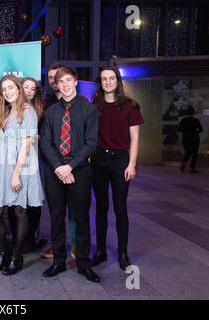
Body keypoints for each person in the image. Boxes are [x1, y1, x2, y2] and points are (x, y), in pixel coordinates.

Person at [40, 66, 100, 282]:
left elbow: (91, 143)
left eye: (68, 80)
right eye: (60, 81)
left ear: (75, 82)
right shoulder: (51, 112)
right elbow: (46, 144)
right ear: (56, 85)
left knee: (81, 217)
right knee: (56, 218)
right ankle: (58, 262)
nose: (64, 85)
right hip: (55, 171)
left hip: (80, 171)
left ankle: (83, 263)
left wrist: (71, 166)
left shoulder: (88, 109)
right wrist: (59, 167)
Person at [0, 74, 44, 276]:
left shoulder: (27, 111)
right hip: (2, 164)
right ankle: (4, 253)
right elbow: (2, 143)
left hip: (21, 166)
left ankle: (17, 256)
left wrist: (16, 174)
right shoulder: (7, 111)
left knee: (19, 211)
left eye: (11, 87)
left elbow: (26, 145)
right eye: (4, 89)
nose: (8, 92)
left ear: (19, 89)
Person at [90, 65, 144, 271]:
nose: (108, 82)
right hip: (98, 160)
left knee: (120, 208)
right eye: (104, 79)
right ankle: (100, 250)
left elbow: (135, 138)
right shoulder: (94, 105)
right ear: (100, 83)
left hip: (121, 160)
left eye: (111, 78)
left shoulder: (130, 106)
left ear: (117, 81)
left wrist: (132, 163)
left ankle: (123, 253)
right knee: (101, 208)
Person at [6, 77, 47, 254]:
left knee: (32, 201)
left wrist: (32, 138)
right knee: (15, 200)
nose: (29, 91)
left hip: (33, 158)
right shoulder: (10, 107)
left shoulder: (39, 110)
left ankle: (28, 237)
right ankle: (18, 238)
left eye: (33, 88)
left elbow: (44, 135)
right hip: (12, 158)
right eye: (26, 87)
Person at [41, 63, 77, 260]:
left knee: (75, 208)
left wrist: (71, 166)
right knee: (56, 210)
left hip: (74, 164)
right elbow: (45, 138)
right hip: (52, 163)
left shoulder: (80, 104)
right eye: (52, 78)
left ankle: (76, 245)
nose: (56, 81)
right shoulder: (46, 104)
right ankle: (57, 246)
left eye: (60, 77)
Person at [179, 106, 203, 173]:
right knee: (195, 153)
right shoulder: (196, 120)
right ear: (193, 113)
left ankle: (183, 163)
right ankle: (192, 168)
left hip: (186, 138)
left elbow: (180, 129)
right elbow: (201, 130)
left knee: (188, 152)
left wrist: (186, 131)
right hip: (195, 138)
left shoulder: (183, 120)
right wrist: (195, 132)